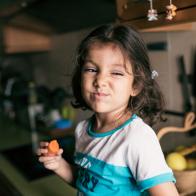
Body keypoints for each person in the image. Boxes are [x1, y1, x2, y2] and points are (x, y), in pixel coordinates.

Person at [37, 24, 179, 196]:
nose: (100, 80)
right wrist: (58, 164)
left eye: (117, 73)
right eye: (91, 69)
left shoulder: (137, 138)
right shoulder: (82, 130)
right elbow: (85, 183)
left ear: (136, 85)